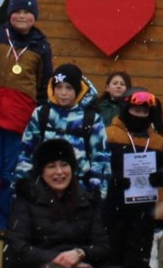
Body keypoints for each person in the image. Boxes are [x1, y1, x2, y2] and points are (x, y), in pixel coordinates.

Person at [4, 137, 130, 268]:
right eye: (51, 166)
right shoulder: (27, 199)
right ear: (41, 171)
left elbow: (102, 246)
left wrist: (79, 253)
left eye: (64, 165)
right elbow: (18, 248)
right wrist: (60, 261)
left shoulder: (86, 200)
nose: (59, 172)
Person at [0, 0, 52, 236]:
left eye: (28, 12)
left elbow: (44, 85)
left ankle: (3, 223)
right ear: (9, 14)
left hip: (20, 120)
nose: (22, 16)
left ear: (35, 16)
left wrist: (39, 117)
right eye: (18, 11)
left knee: (10, 175)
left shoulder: (41, 46)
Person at [102, 88, 163, 268]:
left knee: (138, 257)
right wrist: (112, 178)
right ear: (125, 110)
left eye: (144, 111)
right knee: (111, 255)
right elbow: (98, 163)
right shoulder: (110, 134)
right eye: (135, 110)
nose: (140, 115)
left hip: (142, 210)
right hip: (113, 208)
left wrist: (161, 176)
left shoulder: (157, 140)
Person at [13, 62, 110, 198]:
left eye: (69, 88)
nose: (63, 93)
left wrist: (97, 192)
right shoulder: (42, 114)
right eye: (59, 87)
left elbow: (100, 157)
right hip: (43, 188)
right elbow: (26, 151)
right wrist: (22, 185)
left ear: (78, 90)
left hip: (80, 189)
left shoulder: (91, 118)